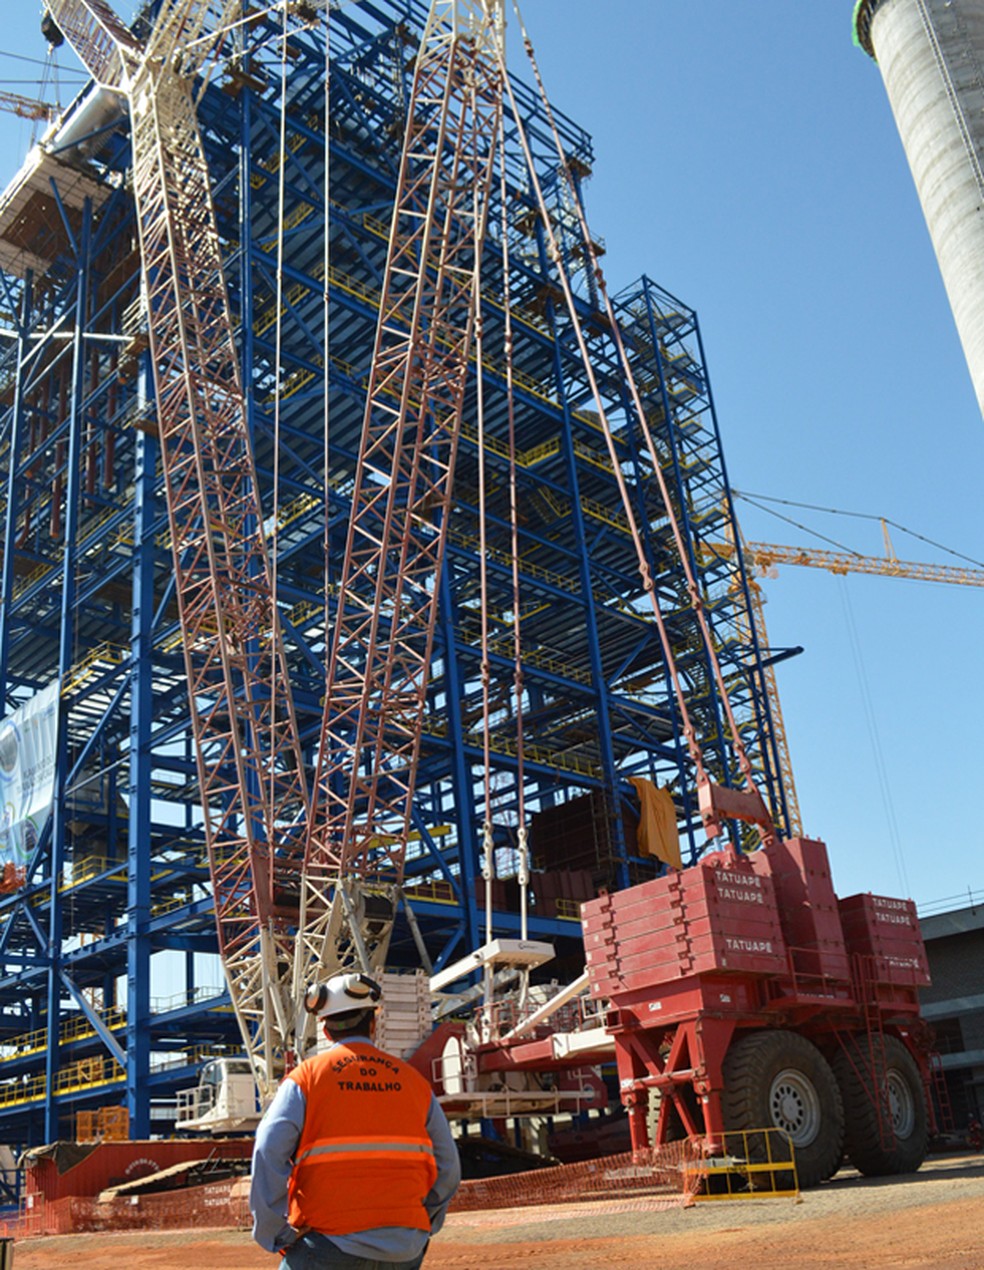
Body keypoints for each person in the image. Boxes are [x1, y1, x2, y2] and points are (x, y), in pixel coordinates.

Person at [250, 971, 461, 1269]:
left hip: (327, 1245)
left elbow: (267, 1151)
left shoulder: (306, 1079)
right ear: (373, 1024)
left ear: (325, 1031)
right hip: (404, 1249)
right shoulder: (415, 1083)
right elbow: (448, 1167)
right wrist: (423, 1222)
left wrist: (276, 1233)